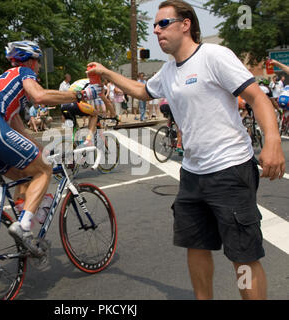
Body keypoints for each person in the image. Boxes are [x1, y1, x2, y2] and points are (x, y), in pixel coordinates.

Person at [87, 0, 285, 300]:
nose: (156, 30)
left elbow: (257, 98)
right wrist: (107, 73)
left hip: (230, 169)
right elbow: (142, 91)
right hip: (193, 174)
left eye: (163, 23)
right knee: (196, 245)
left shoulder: (214, 56)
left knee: (242, 254)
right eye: (154, 25)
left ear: (185, 24)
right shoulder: (168, 71)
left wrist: (272, 143)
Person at [0, 40, 101, 256]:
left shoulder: (3, 85)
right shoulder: (23, 72)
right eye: (37, 61)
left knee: (28, 171)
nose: (37, 67)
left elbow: (22, 133)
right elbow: (40, 96)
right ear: (30, 60)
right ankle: (24, 226)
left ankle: (22, 216)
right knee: (44, 169)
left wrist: (44, 151)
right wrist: (81, 95)